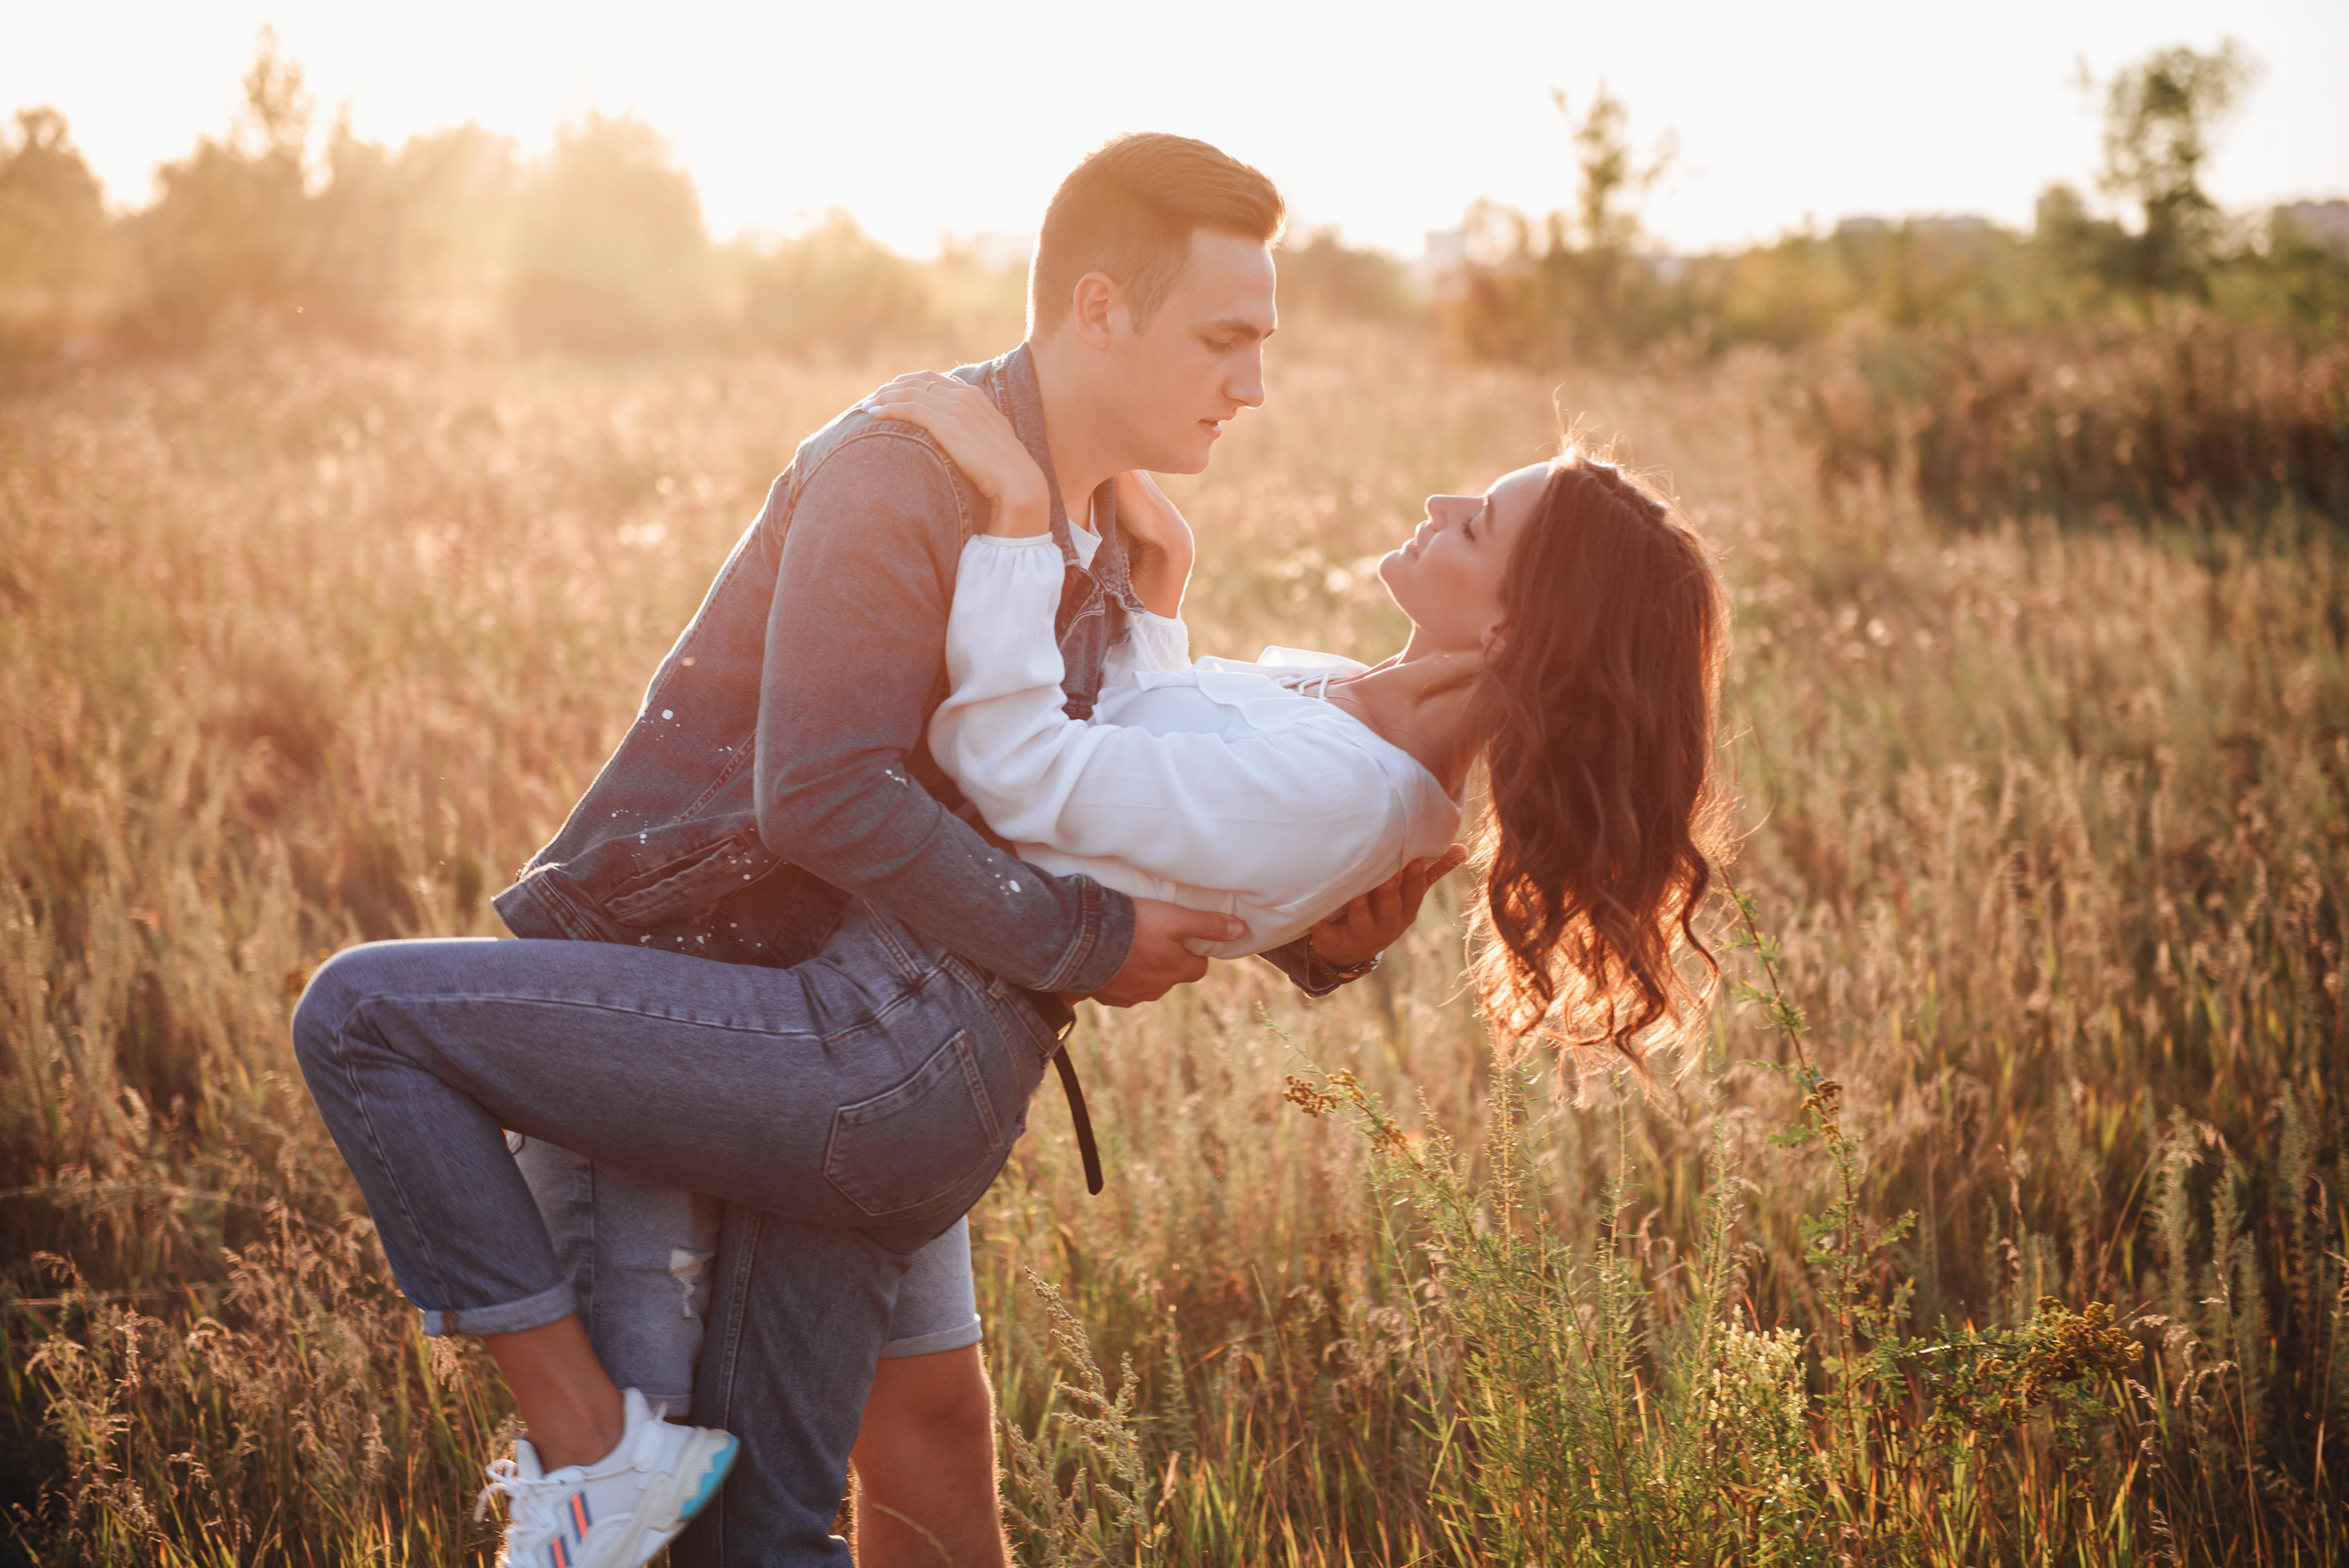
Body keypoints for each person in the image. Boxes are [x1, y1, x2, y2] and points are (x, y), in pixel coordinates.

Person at [294, 133, 1444, 1568]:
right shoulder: (907, 472)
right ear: (1098, 309)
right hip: (685, 982)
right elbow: (823, 794)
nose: (1254, 384)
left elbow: (1118, 800)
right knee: (655, 1527)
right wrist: (1078, 938)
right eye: (1225, 339)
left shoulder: (1108, 533)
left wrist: (1312, 925)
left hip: (861, 1023)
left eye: (1260, 343)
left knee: (791, 1505)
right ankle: (590, 1447)